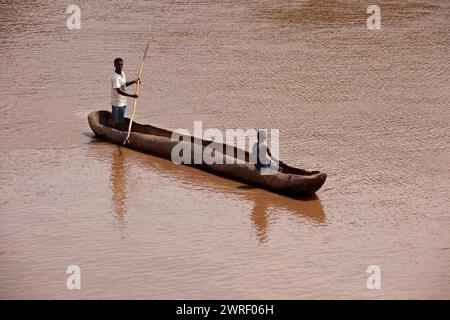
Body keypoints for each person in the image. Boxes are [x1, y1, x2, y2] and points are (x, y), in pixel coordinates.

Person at [111, 57, 140, 126]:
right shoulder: (115, 78)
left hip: (123, 102)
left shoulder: (122, 74)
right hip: (117, 103)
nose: (120, 66)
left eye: (121, 65)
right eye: (118, 65)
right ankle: (116, 134)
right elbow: (119, 91)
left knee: (120, 120)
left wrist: (134, 81)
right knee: (117, 122)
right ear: (115, 65)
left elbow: (123, 85)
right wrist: (131, 95)